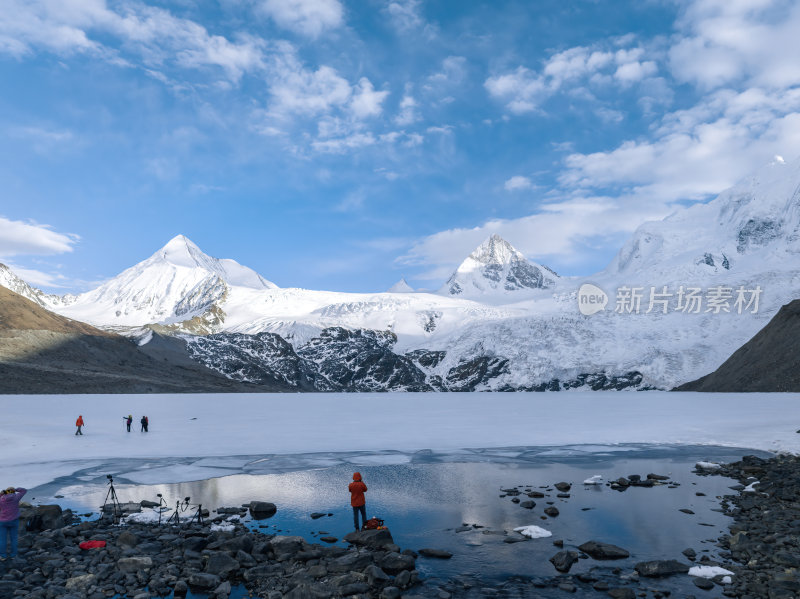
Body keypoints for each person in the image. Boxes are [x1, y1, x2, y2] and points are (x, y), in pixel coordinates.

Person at [0, 486, 27, 560]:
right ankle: (13, 555)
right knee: (14, 539)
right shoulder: (16, 497)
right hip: (14, 521)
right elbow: (24, 490)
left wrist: (1, 494)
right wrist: (15, 489)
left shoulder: (1, 499)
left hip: (2, 522)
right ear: (13, 491)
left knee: (2, 539)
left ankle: (3, 556)